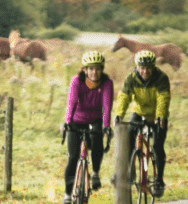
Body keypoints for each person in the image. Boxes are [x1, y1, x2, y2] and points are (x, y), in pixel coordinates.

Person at [113, 50, 171, 198]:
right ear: (137, 67)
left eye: (148, 68)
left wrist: (160, 116)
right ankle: (129, 172)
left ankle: (158, 181)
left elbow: (163, 98)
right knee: (128, 138)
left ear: (153, 67)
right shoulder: (131, 78)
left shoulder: (161, 78)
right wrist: (119, 114)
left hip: (156, 115)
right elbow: (124, 97)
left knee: (158, 146)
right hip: (138, 112)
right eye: (142, 67)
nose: (145, 71)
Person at [60, 51, 114, 204]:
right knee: (73, 158)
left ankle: (95, 173)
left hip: (95, 120)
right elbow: (71, 102)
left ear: (102, 69)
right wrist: (68, 122)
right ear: (84, 70)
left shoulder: (107, 83)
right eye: (90, 69)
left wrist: (106, 126)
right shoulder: (77, 81)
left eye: (97, 69)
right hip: (77, 120)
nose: (94, 72)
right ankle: (67, 194)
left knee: (97, 141)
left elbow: (106, 106)